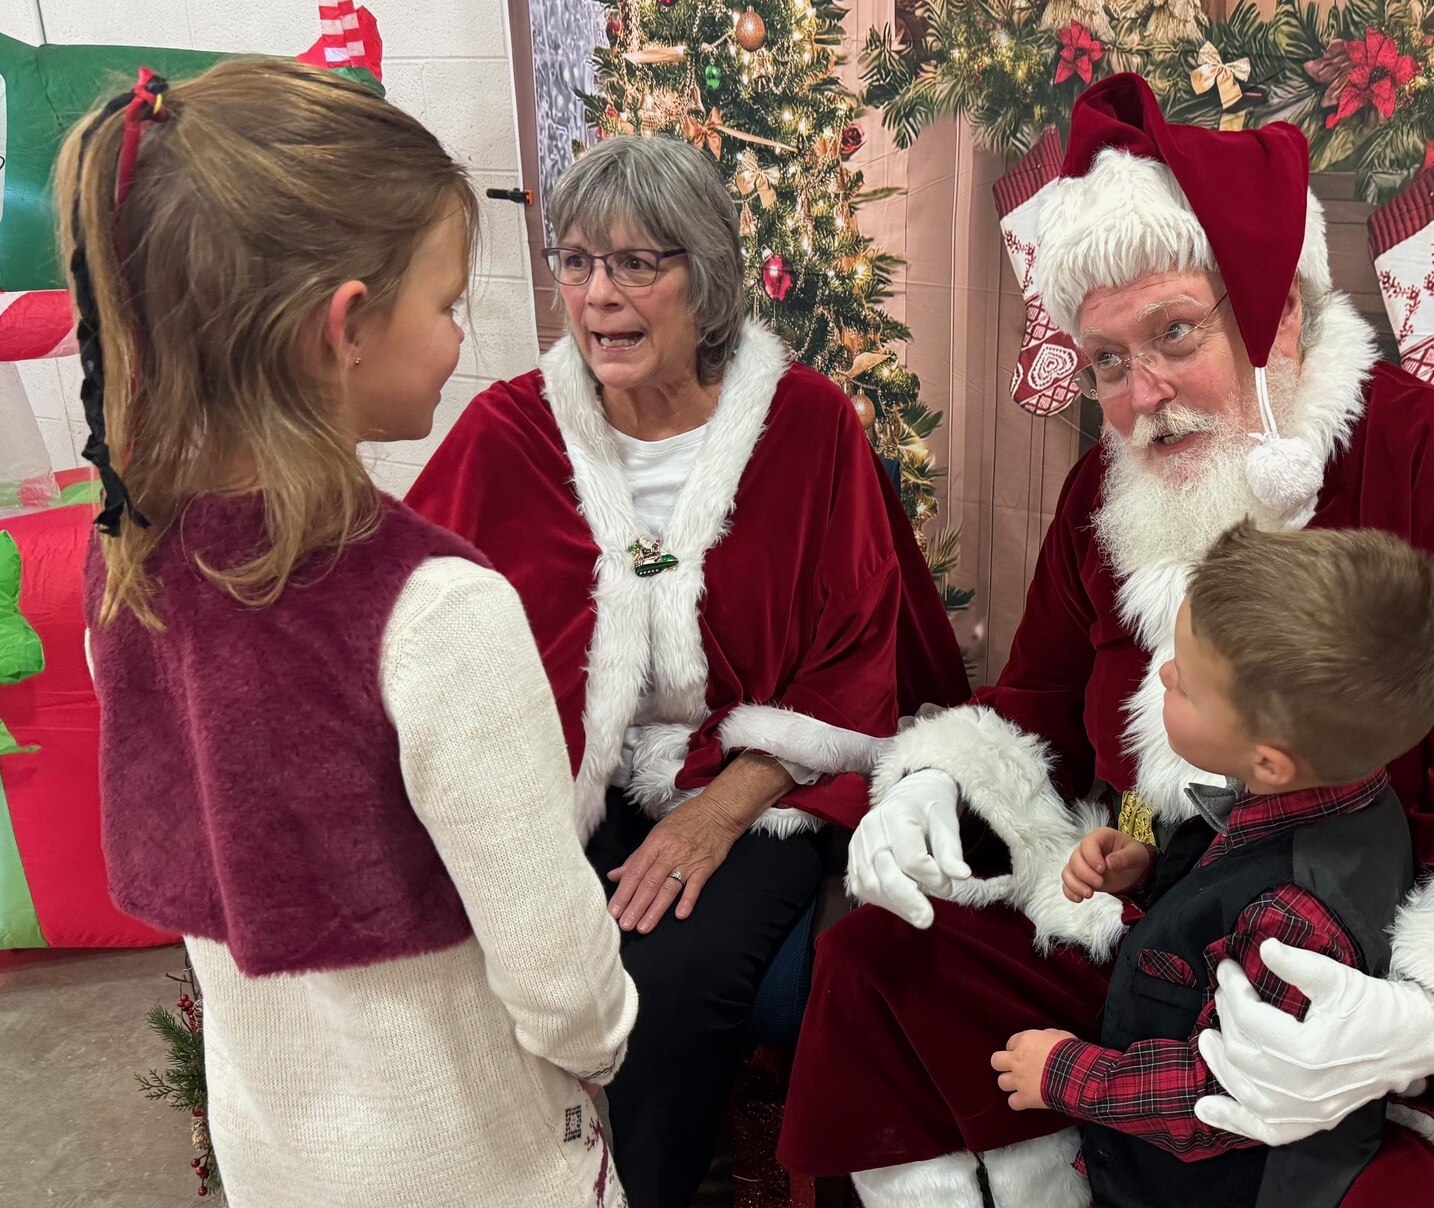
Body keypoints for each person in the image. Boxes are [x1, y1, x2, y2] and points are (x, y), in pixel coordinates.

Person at [780, 73, 1434, 1208]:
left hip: (1335, 1000)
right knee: (873, 960)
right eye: (1104, 362)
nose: (1144, 397)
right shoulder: (1104, 490)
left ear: (1276, 307)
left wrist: (1419, 1017)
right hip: (1149, 932)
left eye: (1176, 333)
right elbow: (1038, 693)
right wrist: (937, 777)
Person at [73, 60, 636, 1206]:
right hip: (479, 1162)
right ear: (345, 325)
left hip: (278, 1153)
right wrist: (605, 1044)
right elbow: (561, 980)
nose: (453, 334)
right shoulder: (435, 611)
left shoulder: (122, 560)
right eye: (443, 304)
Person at [405, 134, 967, 1208]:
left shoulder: (804, 426)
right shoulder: (507, 431)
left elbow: (854, 654)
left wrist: (715, 811)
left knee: (662, 979)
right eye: (574, 262)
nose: (597, 296)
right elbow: (408, 605)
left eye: (635, 264)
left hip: (758, 778)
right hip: (556, 773)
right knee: (509, 954)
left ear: (703, 279)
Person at [991, 524, 1434, 1207]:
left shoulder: (1293, 920)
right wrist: (1145, 859)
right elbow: (1214, 839)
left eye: (1184, 684)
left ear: (1268, 759)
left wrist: (1066, 1073)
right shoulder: (1337, 786)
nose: (1162, 674)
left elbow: (1218, 1095)